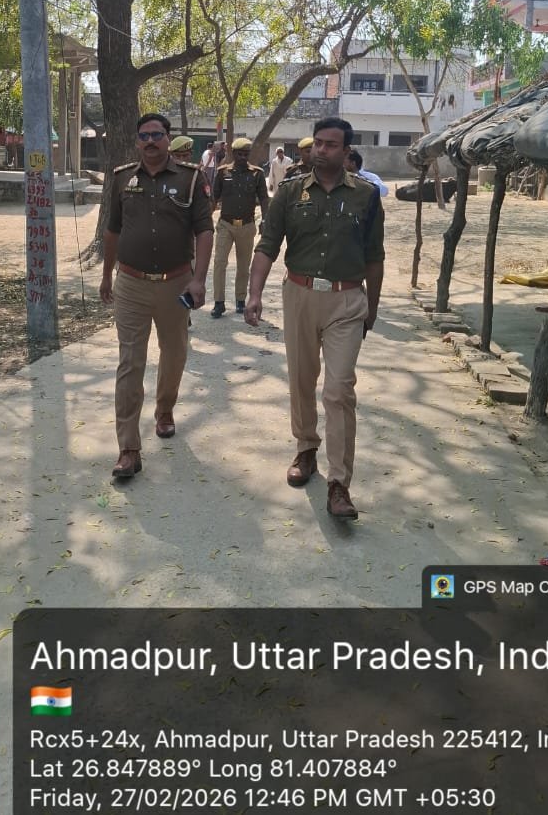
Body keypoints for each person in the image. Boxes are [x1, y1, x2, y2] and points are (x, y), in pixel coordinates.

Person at [244, 117, 384, 519]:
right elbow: (268, 245)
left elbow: (374, 257)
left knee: (339, 390)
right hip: (300, 295)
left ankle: (339, 484)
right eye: (317, 143)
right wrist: (254, 293)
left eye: (330, 145)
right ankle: (306, 447)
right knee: (302, 380)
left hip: (347, 301)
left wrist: (371, 309)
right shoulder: (290, 192)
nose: (320, 150)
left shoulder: (366, 196)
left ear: (346, 151)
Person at [101, 114, 213, 479]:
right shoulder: (122, 178)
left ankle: (164, 409)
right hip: (130, 283)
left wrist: (199, 280)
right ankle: (128, 448)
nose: (150, 141)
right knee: (130, 362)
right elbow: (113, 230)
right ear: (137, 141)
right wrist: (106, 275)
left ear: (168, 139)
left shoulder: (191, 178)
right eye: (144, 136)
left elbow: (204, 231)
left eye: (157, 135)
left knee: (174, 352)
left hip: (176, 284)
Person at [210, 138, 269, 318]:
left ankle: (240, 300)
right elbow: (214, 197)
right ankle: (219, 303)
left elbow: (264, 198)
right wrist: (205, 220)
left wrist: (265, 219)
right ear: (233, 154)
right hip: (226, 224)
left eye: (246, 154)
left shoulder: (257, 174)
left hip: (247, 225)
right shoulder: (223, 172)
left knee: (244, 265)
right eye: (240, 154)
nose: (243, 157)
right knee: (220, 262)